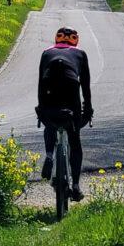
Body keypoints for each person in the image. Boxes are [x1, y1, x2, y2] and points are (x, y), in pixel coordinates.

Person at [36, 26, 93, 201]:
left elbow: (40, 82)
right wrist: (88, 109)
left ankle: (49, 155)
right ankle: (75, 186)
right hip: (71, 88)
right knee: (74, 138)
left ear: (56, 39)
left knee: (50, 122)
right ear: (76, 40)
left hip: (48, 88)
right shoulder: (80, 54)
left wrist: (41, 109)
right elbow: (85, 85)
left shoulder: (46, 53)